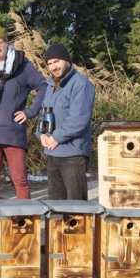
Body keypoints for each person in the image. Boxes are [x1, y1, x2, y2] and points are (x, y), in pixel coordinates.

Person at [0, 25, 47, 237]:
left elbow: (44, 86)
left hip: (13, 133)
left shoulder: (22, 66)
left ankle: (25, 222)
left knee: (19, 178)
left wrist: (30, 112)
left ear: (6, 43)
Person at [39, 43, 95, 200]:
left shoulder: (81, 84)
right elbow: (43, 112)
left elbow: (78, 119)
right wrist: (41, 134)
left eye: (56, 61)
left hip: (73, 154)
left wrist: (56, 138)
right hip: (52, 152)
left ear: (67, 60)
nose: (53, 67)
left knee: (75, 207)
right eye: (49, 63)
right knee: (55, 204)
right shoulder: (50, 85)